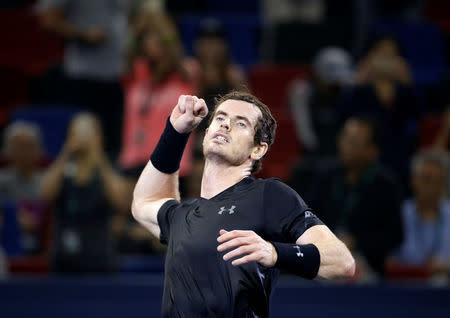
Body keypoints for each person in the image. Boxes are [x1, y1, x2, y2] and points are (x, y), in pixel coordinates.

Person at [132, 91, 355, 317]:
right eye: (220, 118)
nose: (226, 125)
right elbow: (145, 201)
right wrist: (176, 132)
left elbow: (342, 262)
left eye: (240, 123)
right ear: (207, 132)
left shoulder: (268, 195)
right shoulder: (184, 215)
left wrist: (274, 252)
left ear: (258, 149)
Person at [299, 117, 403, 278]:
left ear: (372, 150)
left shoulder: (385, 185)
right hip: (322, 260)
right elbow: (306, 217)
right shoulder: (326, 176)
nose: (345, 146)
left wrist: (357, 243)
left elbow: (394, 235)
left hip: (366, 268)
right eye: (344, 139)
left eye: (353, 143)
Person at [40, 113, 130, 273]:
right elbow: (45, 195)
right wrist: (66, 152)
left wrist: (99, 156)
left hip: (99, 255)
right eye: (78, 132)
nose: (84, 137)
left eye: (89, 132)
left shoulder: (107, 168)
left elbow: (121, 202)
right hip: (64, 254)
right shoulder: (62, 167)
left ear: (100, 136)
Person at [393, 151, 450, 275]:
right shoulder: (399, 214)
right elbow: (389, 261)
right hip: (407, 286)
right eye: (427, 179)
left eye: (439, 181)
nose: (432, 187)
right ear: (414, 180)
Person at [0, 122, 46, 255]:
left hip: (42, 246)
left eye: (29, 147)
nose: (24, 153)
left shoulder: (48, 182)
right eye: (18, 147)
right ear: (7, 150)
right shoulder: (1, 180)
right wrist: (14, 219)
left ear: (38, 149)